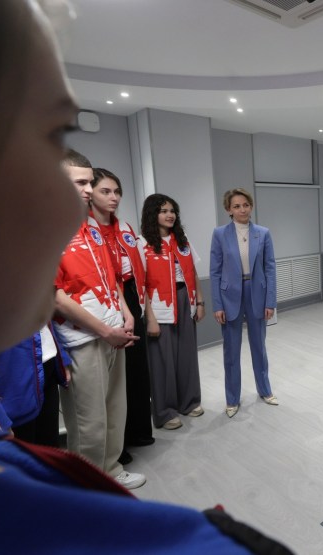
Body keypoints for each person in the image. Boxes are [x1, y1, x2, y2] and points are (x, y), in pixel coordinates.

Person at [0, 1, 290, 552]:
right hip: (111, 329)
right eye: (44, 136)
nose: (69, 206)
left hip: (146, 318)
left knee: (111, 410)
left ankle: (128, 453)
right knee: (93, 415)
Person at [54, 148, 145, 489]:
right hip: (84, 338)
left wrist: (126, 313)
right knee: (88, 420)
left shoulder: (89, 225)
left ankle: (111, 468)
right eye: (80, 183)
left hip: (113, 330)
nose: (89, 190)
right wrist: (105, 331)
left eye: (90, 182)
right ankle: (88, 486)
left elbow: (111, 277)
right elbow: (54, 295)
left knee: (114, 408)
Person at [91, 167, 155, 462]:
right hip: (106, 303)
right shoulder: (86, 231)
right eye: (105, 191)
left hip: (131, 297)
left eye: (117, 191)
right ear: (90, 193)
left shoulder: (125, 229)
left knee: (137, 371)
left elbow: (140, 270)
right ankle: (117, 446)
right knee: (114, 381)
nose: (113, 197)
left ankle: (139, 431)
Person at [209, 188, 278, 418]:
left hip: (256, 293)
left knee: (259, 347)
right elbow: (215, 271)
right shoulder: (220, 234)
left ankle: (265, 390)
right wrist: (217, 305)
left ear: (251, 206)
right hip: (230, 296)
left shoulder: (263, 233)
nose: (242, 210)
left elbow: (270, 268)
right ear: (228, 210)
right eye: (236, 206)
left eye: (245, 205)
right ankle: (232, 399)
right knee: (231, 351)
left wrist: (270, 301)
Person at [140, 194, 205, 430]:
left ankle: (189, 402)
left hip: (185, 299)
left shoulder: (182, 241)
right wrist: (150, 318)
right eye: (163, 211)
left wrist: (200, 302)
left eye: (172, 211)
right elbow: (141, 284)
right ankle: (165, 412)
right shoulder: (142, 244)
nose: (170, 215)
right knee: (162, 361)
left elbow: (193, 273)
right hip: (159, 305)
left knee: (187, 355)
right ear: (152, 214)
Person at [0, 324, 71, 447]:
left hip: (45, 362)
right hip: (9, 379)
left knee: (49, 447)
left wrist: (60, 355)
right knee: (23, 447)